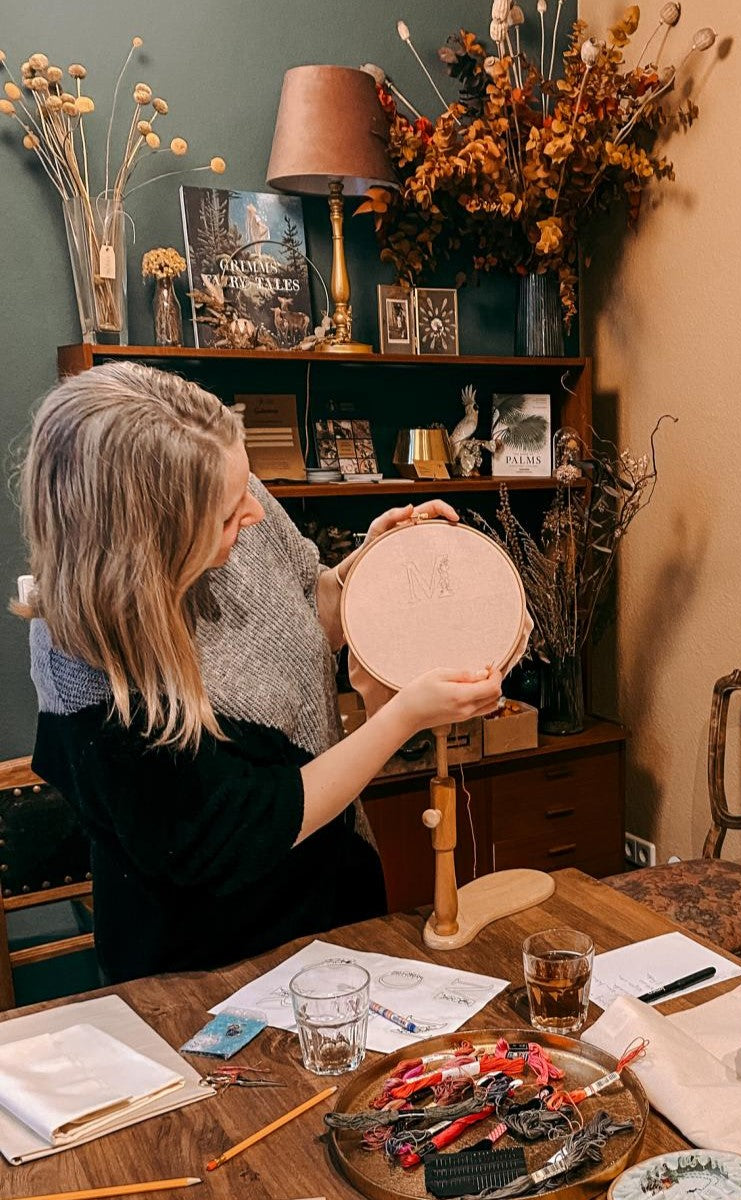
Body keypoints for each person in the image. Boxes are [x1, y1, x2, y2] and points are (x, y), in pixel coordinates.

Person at [16, 362, 503, 984]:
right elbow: (245, 827)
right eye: (226, 514)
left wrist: (367, 568)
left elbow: (310, 613)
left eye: (249, 486)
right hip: (204, 968)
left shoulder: (230, 495)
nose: (251, 512)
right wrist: (405, 713)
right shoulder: (85, 669)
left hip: (332, 902)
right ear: (148, 543)